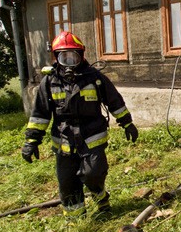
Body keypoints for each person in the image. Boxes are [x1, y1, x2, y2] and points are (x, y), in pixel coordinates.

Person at [21, 31, 139, 217]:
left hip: (92, 135)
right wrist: (31, 141)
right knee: (67, 182)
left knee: (93, 173)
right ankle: (76, 219)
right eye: (63, 57)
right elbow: (40, 114)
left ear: (81, 56)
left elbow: (114, 101)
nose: (69, 62)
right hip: (64, 139)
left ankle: (101, 198)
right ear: (56, 57)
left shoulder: (94, 78)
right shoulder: (49, 81)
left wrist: (127, 123)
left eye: (72, 56)